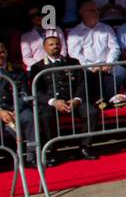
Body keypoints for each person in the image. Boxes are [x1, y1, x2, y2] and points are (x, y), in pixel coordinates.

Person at [28, 34, 94, 163]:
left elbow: (82, 84)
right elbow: (37, 91)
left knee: (92, 112)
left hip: (72, 101)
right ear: (45, 48)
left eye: (57, 44)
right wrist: (53, 102)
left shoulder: (73, 62)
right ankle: (52, 151)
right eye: (51, 45)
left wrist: (76, 99)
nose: (55, 47)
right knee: (46, 116)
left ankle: (84, 147)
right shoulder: (38, 67)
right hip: (51, 103)